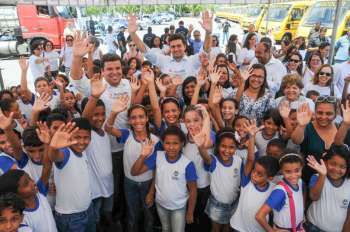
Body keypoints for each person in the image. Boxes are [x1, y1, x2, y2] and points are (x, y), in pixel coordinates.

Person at [104, 96, 158, 232]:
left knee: (148, 215)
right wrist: (114, 112)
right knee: (132, 215)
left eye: (141, 117)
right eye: (133, 117)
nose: (137, 120)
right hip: (129, 183)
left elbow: (155, 169)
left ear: (146, 118)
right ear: (129, 120)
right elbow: (108, 128)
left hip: (147, 183)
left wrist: (151, 191)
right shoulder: (127, 135)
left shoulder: (156, 141)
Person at [131, 126, 198, 232]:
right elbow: (134, 172)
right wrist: (143, 155)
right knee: (166, 228)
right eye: (167, 143)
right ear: (162, 143)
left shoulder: (187, 164)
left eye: (175, 143)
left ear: (181, 144)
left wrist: (190, 212)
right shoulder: (157, 156)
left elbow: (193, 190)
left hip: (179, 207)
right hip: (161, 204)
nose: (171, 147)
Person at [196, 126, 255, 232]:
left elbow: (251, 160)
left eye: (231, 147)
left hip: (233, 204)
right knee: (216, 229)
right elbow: (205, 156)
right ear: (218, 146)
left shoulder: (238, 160)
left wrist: (251, 137)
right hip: (217, 205)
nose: (227, 150)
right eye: (223, 146)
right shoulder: (214, 161)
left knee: (228, 228)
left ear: (236, 147)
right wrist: (200, 146)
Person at [128, 11, 212, 78]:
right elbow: (146, 51)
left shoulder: (193, 60)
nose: (176, 49)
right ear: (169, 48)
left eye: (179, 46)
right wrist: (133, 34)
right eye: (173, 46)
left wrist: (208, 33)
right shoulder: (163, 60)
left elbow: (205, 52)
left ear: (185, 46)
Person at [48, 119, 96, 231]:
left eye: (86, 138)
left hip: (88, 209)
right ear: (69, 137)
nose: (82, 142)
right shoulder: (66, 152)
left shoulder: (83, 153)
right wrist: (54, 147)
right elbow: (54, 156)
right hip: (70, 218)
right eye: (77, 137)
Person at [291, 99, 338, 182]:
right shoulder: (307, 127)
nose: (323, 117)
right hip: (309, 179)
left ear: (335, 114)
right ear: (314, 112)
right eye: (320, 113)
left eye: (329, 113)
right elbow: (296, 140)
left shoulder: (341, 129)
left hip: (335, 180)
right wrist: (301, 126)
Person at [305, 145, 350, 232]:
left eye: (342, 166)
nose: (337, 169)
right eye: (333, 164)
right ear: (325, 162)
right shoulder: (316, 177)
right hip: (313, 228)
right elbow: (314, 196)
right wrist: (322, 175)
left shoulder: (349, 183)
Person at [256, 153, 305, 231]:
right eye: (288, 172)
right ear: (281, 171)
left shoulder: (300, 182)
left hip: (298, 228)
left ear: (301, 168)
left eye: (297, 170)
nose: (293, 175)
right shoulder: (280, 191)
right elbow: (260, 216)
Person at [230, 155, 279, 231]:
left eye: (259, 174)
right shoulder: (246, 182)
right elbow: (250, 159)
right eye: (254, 170)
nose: (254, 175)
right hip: (239, 228)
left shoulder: (274, 189)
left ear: (270, 178)